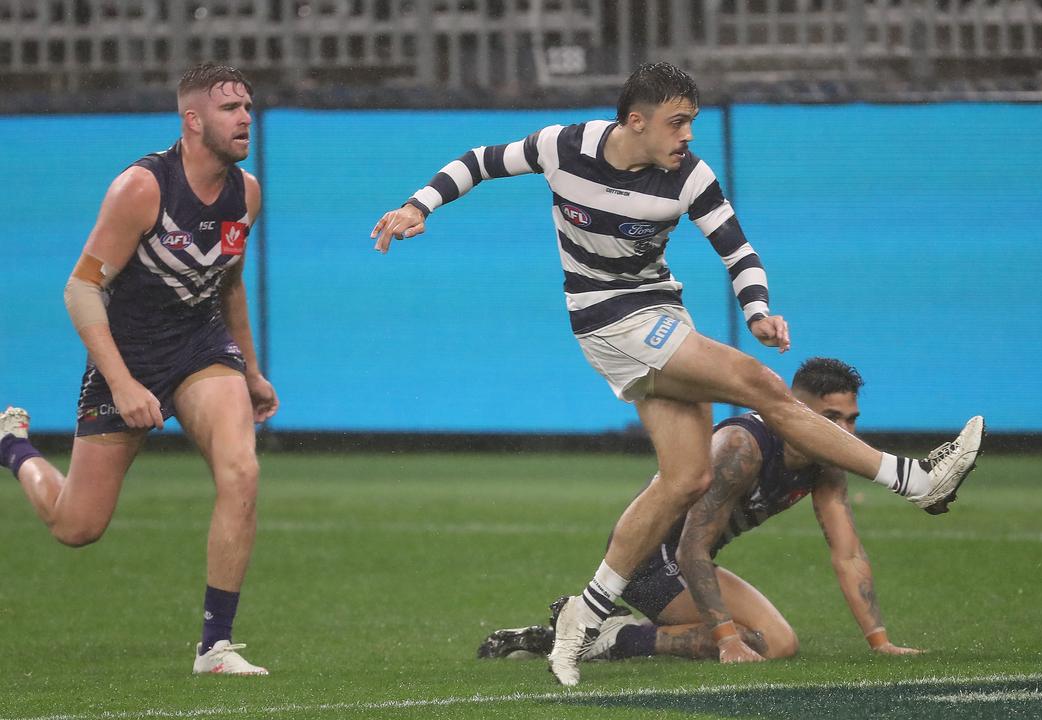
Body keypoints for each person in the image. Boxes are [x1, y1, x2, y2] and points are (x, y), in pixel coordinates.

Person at [370, 61, 984, 686]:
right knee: (763, 387)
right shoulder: (565, 146)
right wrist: (418, 206)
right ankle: (913, 479)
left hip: (661, 311)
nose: (688, 135)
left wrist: (758, 308)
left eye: (691, 121)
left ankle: (587, 614)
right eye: (677, 122)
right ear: (635, 122)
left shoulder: (689, 176)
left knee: (686, 477)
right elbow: (478, 160)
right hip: (609, 319)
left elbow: (737, 249)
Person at [0, 63, 276, 675]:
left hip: (202, 349)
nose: (245, 119)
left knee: (242, 472)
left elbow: (228, 283)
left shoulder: (247, 192)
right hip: (128, 358)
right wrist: (123, 384)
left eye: (248, 108)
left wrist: (251, 371)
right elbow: (79, 290)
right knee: (77, 527)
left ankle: (215, 647)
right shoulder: (142, 188)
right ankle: (13, 446)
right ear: (192, 120)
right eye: (231, 110)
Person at [478, 358, 922, 663]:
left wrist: (879, 642)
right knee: (772, 643)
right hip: (650, 559)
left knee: (772, 642)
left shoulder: (826, 462)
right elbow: (692, 546)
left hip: (687, 559)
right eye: (832, 418)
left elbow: (846, 553)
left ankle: (603, 630)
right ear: (798, 410)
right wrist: (726, 639)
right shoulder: (741, 447)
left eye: (851, 418)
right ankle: (612, 638)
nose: (845, 431)